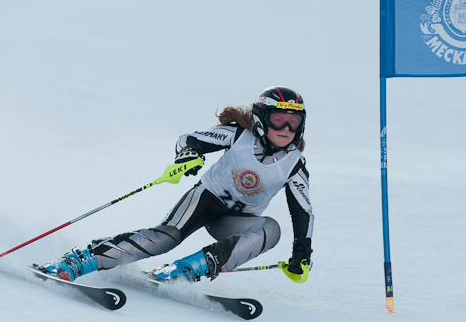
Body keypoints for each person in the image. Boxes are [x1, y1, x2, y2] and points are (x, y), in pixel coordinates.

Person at [40, 86, 314, 283]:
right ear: (262, 119)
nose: (286, 129)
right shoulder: (238, 136)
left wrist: (302, 250)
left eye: (294, 122)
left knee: (271, 229)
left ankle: (185, 270)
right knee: (167, 237)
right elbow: (190, 139)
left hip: (235, 220)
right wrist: (190, 155)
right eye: (279, 119)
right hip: (206, 200)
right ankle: (80, 260)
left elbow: (302, 211)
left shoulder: (294, 164)